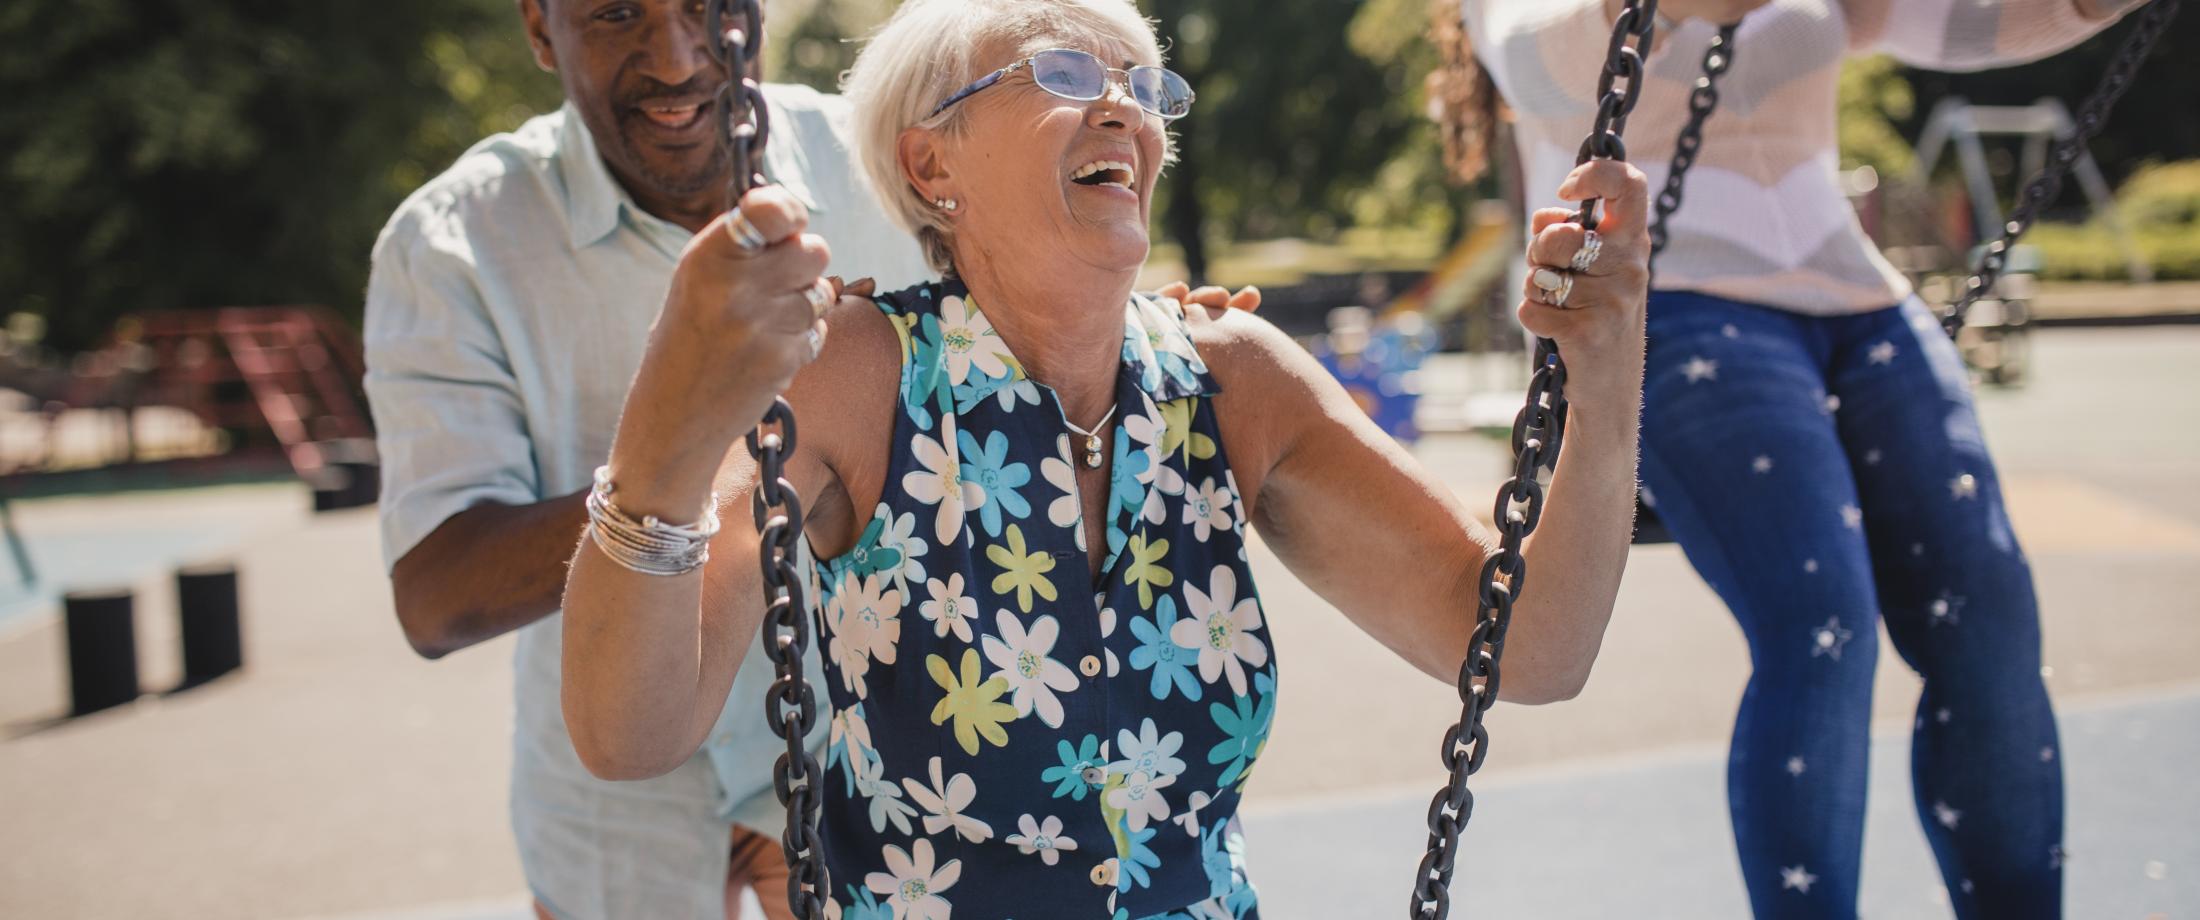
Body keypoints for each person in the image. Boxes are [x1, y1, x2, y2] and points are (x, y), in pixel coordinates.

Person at [559, 0, 1654, 915]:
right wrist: (668, 427)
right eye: (1067, 69)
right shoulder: (861, 371)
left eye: (1143, 83)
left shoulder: (1237, 379)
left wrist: (1604, 375)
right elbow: (630, 729)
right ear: (931, 160)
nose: (1124, 104)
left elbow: (1529, 650)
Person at [363, 1, 1257, 916]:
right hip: (616, 793)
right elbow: (437, 590)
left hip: (863, 760)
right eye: (618, 14)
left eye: (710, 10)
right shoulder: (454, 243)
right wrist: (700, 445)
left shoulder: (883, 157)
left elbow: (1017, 325)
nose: (675, 59)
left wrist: (1112, 335)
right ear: (541, 27)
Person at [1451, 0, 2150, 914]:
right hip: (1681, 296)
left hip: (1854, 296)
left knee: (1990, 611)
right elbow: (1540, 57)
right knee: (1824, 626)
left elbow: (1968, 23)